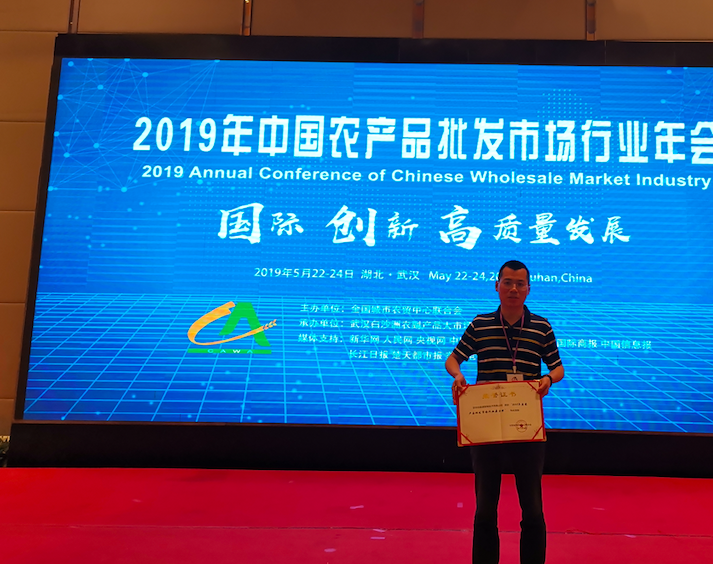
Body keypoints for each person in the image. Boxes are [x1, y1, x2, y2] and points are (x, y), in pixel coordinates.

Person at [445, 260, 564, 564]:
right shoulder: (480, 324)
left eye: (520, 284)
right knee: (485, 509)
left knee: (533, 509)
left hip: (526, 427)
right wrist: (458, 377)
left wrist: (547, 379)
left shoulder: (541, 326)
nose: (513, 289)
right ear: (496, 286)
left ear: (528, 289)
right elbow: (453, 359)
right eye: (507, 282)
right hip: (486, 428)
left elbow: (558, 368)